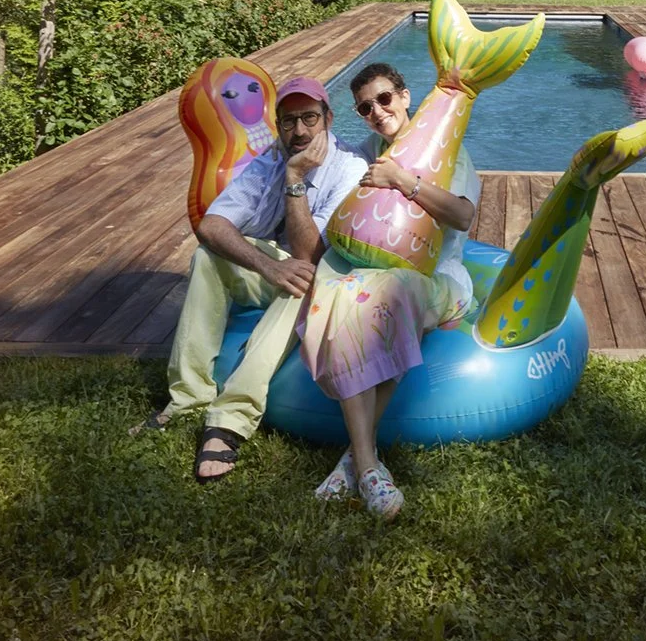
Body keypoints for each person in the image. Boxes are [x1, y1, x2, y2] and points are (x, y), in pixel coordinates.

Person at [131, 75, 367, 482]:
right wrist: (267, 266)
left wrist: (295, 181)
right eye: (289, 121)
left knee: (305, 278)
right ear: (278, 125)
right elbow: (211, 226)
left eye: (309, 118)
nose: (300, 131)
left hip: (321, 276)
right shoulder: (270, 159)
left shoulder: (349, 167)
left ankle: (230, 420)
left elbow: (309, 255)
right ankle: (188, 398)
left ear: (328, 118)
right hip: (276, 268)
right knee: (208, 256)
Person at [301, 61, 480, 520]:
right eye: (365, 107)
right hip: (376, 271)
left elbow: (463, 217)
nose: (377, 112)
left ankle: (357, 462)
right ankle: (365, 465)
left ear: (404, 96)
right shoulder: (366, 153)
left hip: (438, 276)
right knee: (345, 299)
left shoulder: (444, 147)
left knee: (390, 294)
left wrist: (403, 181)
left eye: (384, 99)